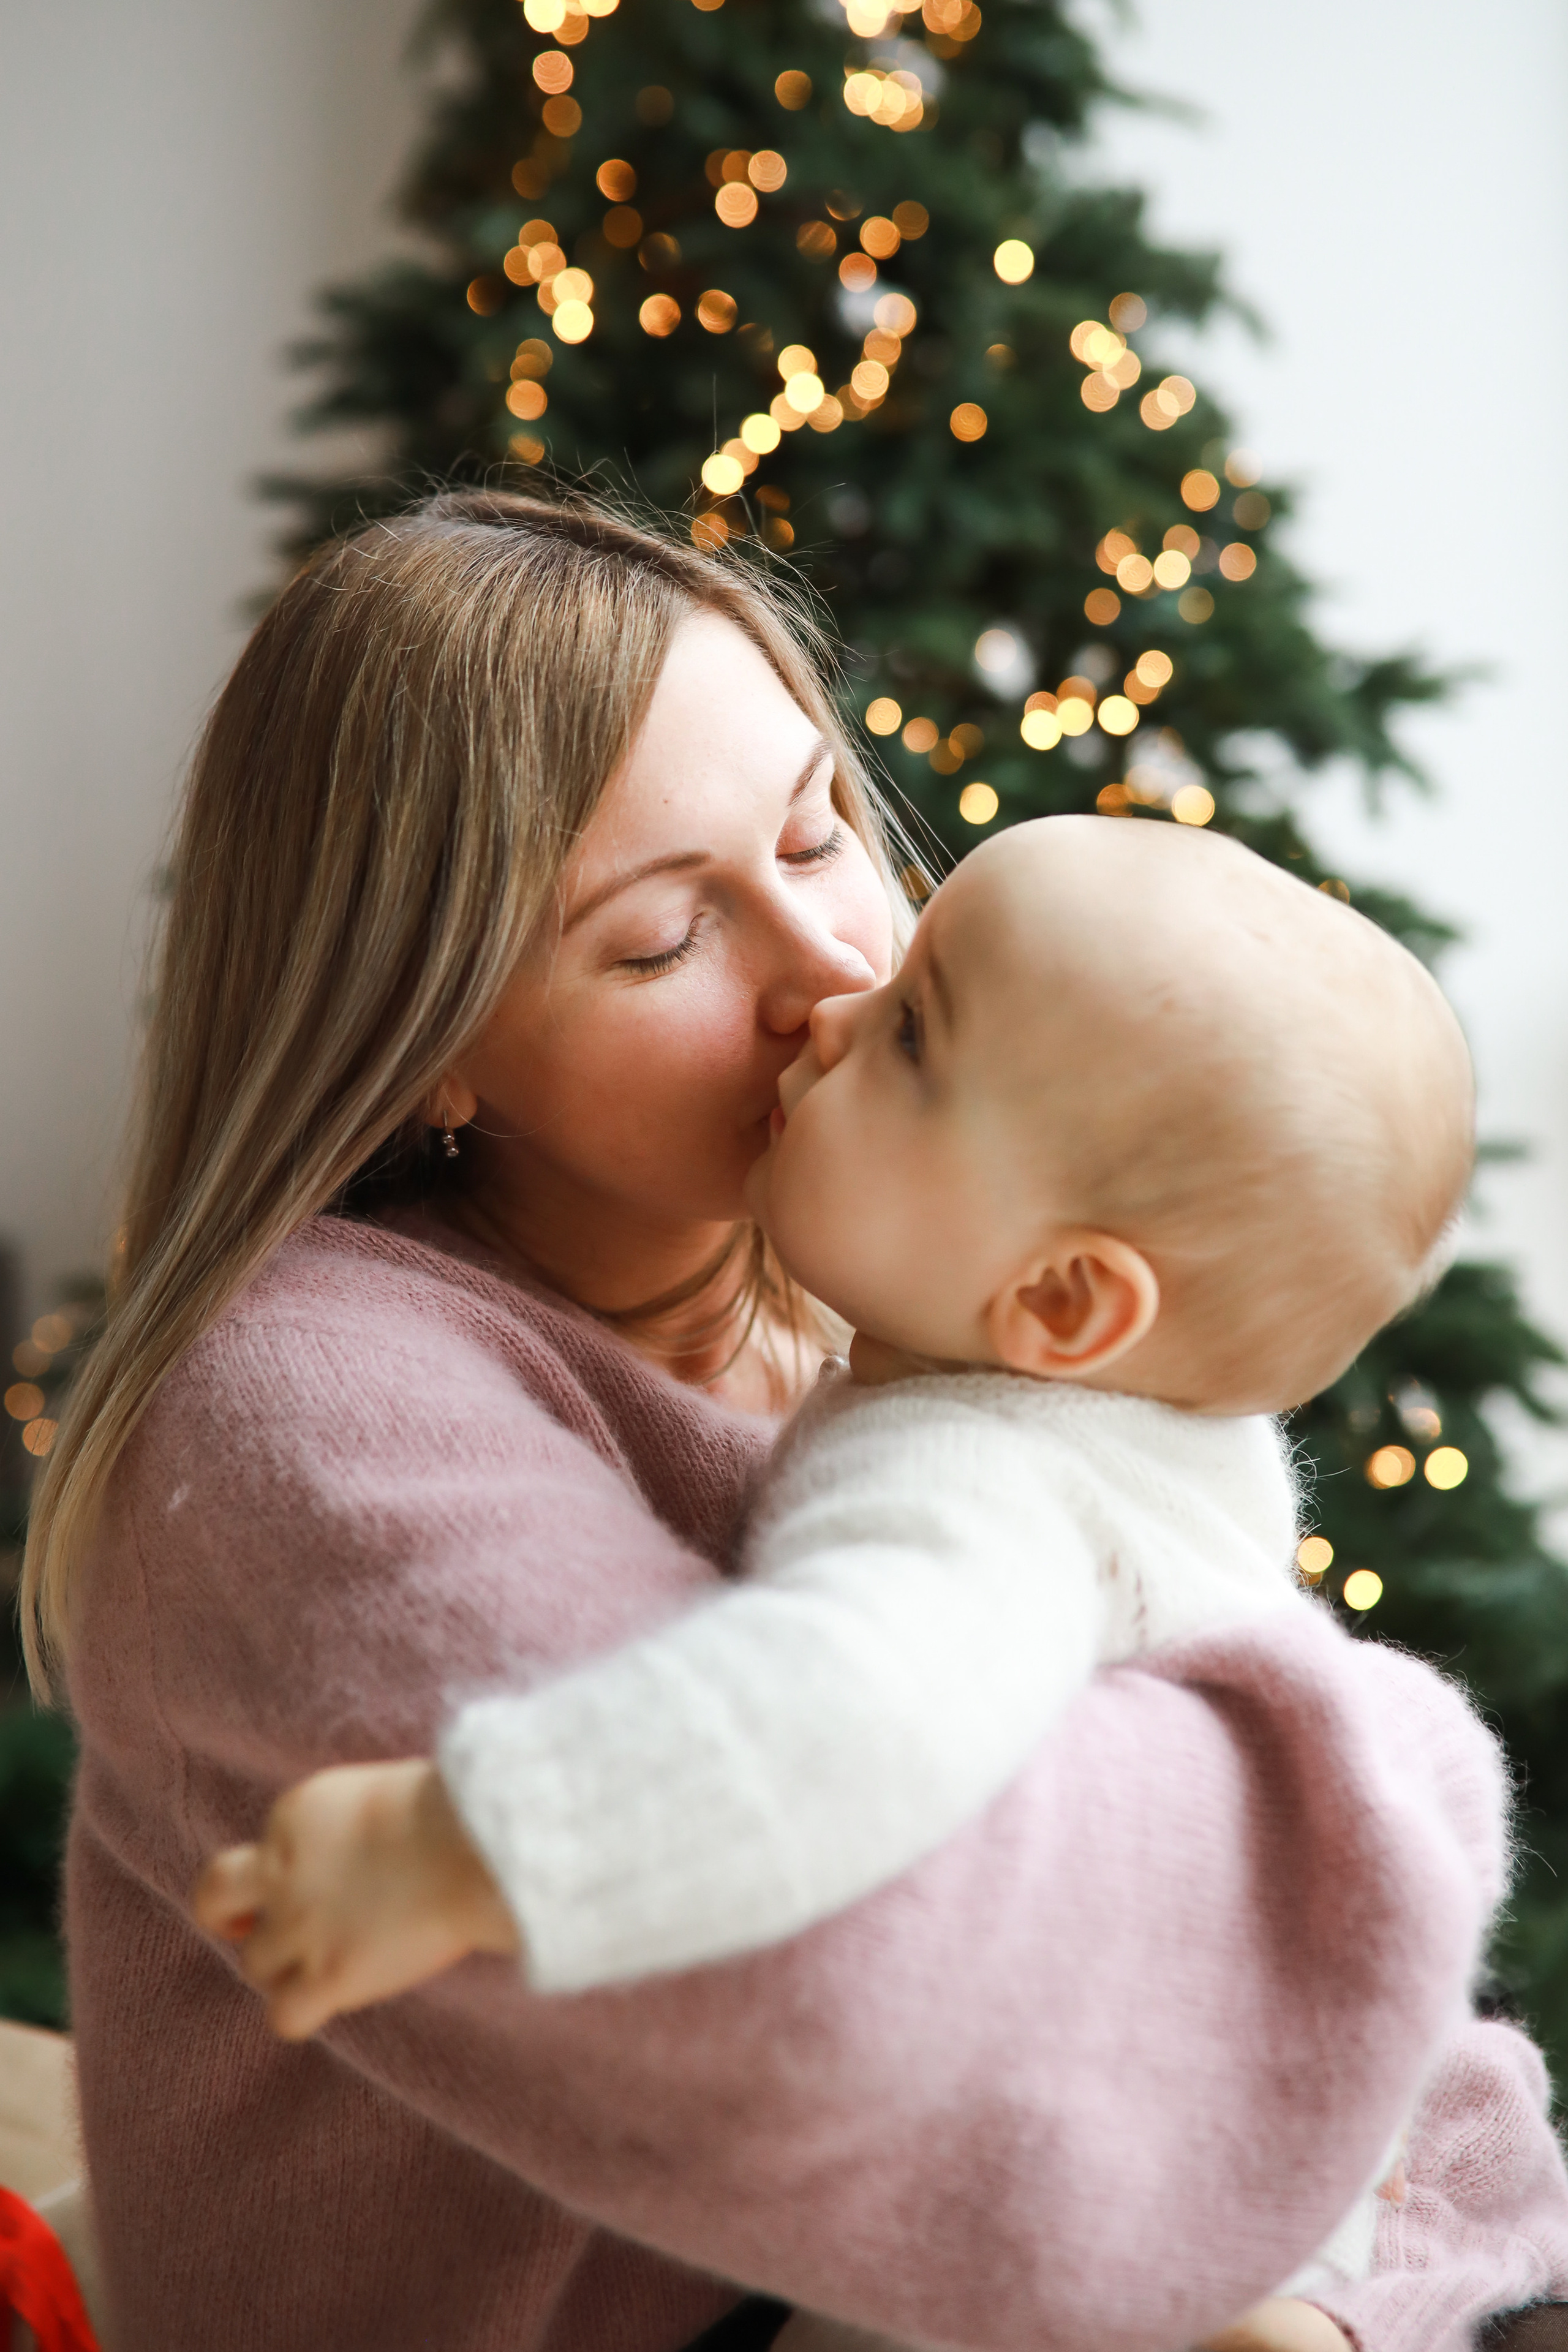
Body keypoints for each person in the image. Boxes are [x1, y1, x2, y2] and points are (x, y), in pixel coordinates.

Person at [23, 492, 1568, 2352]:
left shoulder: (919, 1312)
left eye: (820, 827)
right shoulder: (307, 1410)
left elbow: (1408, 2056)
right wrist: (1384, 1777)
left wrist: (1350, 2278)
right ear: (426, 1042)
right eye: (666, 937)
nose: (834, 973)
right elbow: (821, 1959)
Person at [194, 815, 1492, 2343]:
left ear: (1060, 1300)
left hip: (1106, 2230)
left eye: (915, 1033)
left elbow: (849, 1721)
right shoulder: (1155, 1426)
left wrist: (462, 1845)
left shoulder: (974, 1478)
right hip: (1257, 2171)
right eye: (659, 937)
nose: (833, 1004)